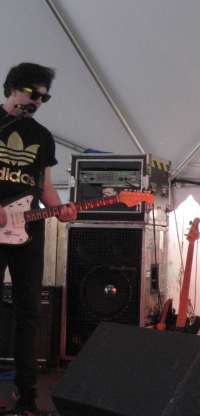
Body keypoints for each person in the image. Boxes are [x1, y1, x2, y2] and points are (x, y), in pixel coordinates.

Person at [0, 62, 77, 414]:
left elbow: (45, 186)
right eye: (35, 93)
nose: (41, 100)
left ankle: (26, 394)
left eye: (46, 96)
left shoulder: (43, 136)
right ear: (14, 88)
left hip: (28, 231)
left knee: (30, 310)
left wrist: (61, 208)